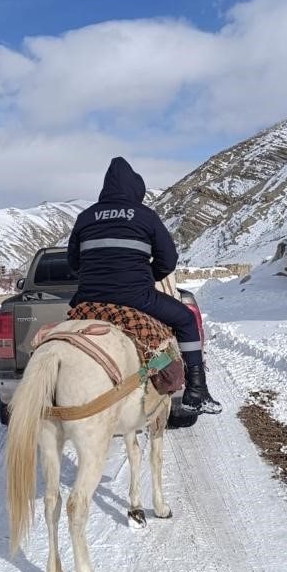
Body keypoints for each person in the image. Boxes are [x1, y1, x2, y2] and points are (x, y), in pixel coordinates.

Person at [67, 156, 222, 414]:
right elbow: (168, 261)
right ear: (135, 190)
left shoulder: (85, 217)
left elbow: (73, 264)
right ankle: (196, 391)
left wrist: (96, 277)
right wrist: (147, 276)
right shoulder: (145, 216)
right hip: (136, 297)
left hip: (88, 299)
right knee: (185, 319)